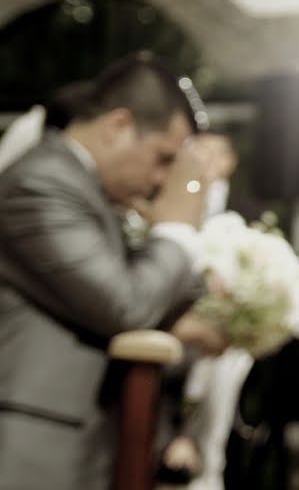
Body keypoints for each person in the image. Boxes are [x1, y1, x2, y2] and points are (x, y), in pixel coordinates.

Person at [0, 52, 227, 490]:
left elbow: (148, 295)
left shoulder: (88, 191)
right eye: (163, 158)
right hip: (31, 445)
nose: (163, 181)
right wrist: (177, 228)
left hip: (90, 438)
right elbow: (124, 304)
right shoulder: (39, 185)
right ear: (118, 126)